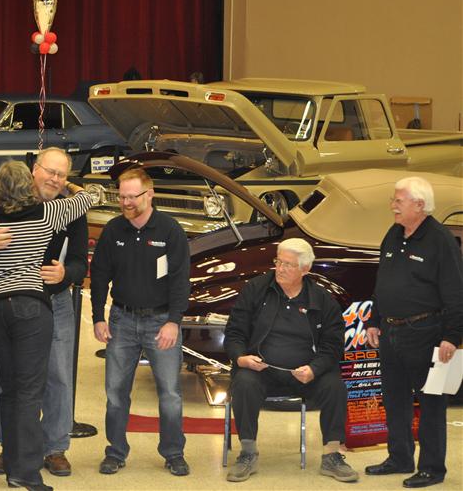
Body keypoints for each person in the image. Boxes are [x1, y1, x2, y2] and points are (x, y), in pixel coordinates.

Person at [0, 161, 91, 491]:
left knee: (10, 389)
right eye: (51, 172)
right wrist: (73, 186)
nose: (56, 179)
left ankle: (17, 460)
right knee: (31, 391)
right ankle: (27, 472)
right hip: (32, 306)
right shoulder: (49, 214)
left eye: (61, 175)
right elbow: (89, 197)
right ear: (32, 178)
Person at [223, 238, 358, 483]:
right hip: (261, 370)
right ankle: (248, 453)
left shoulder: (322, 300)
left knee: (335, 386)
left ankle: (332, 456)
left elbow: (333, 345)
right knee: (243, 382)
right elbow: (234, 332)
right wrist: (241, 358)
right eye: (278, 261)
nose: (280, 268)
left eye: (288, 264)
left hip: (305, 372)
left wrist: (314, 369)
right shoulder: (256, 289)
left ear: (305, 269)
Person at [90, 167, 191, 477]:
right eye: (122, 197)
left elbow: (180, 280)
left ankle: (173, 453)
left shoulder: (170, 230)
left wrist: (174, 321)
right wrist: (98, 317)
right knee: (115, 393)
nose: (126, 203)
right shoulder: (113, 230)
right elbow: (99, 276)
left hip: (161, 321)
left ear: (150, 194)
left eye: (132, 197)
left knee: (170, 393)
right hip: (121, 320)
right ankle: (115, 452)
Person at [364, 176, 463, 488]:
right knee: (394, 400)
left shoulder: (441, 241)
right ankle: (400, 457)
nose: (392, 205)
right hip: (391, 332)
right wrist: (374, 319)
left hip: (428, 332)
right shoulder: (394, 234)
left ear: (419, 205)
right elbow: (383, 281)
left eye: (398, 200)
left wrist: (452, 336)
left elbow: (456, 292)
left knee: (431, 403)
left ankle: (432, 468)